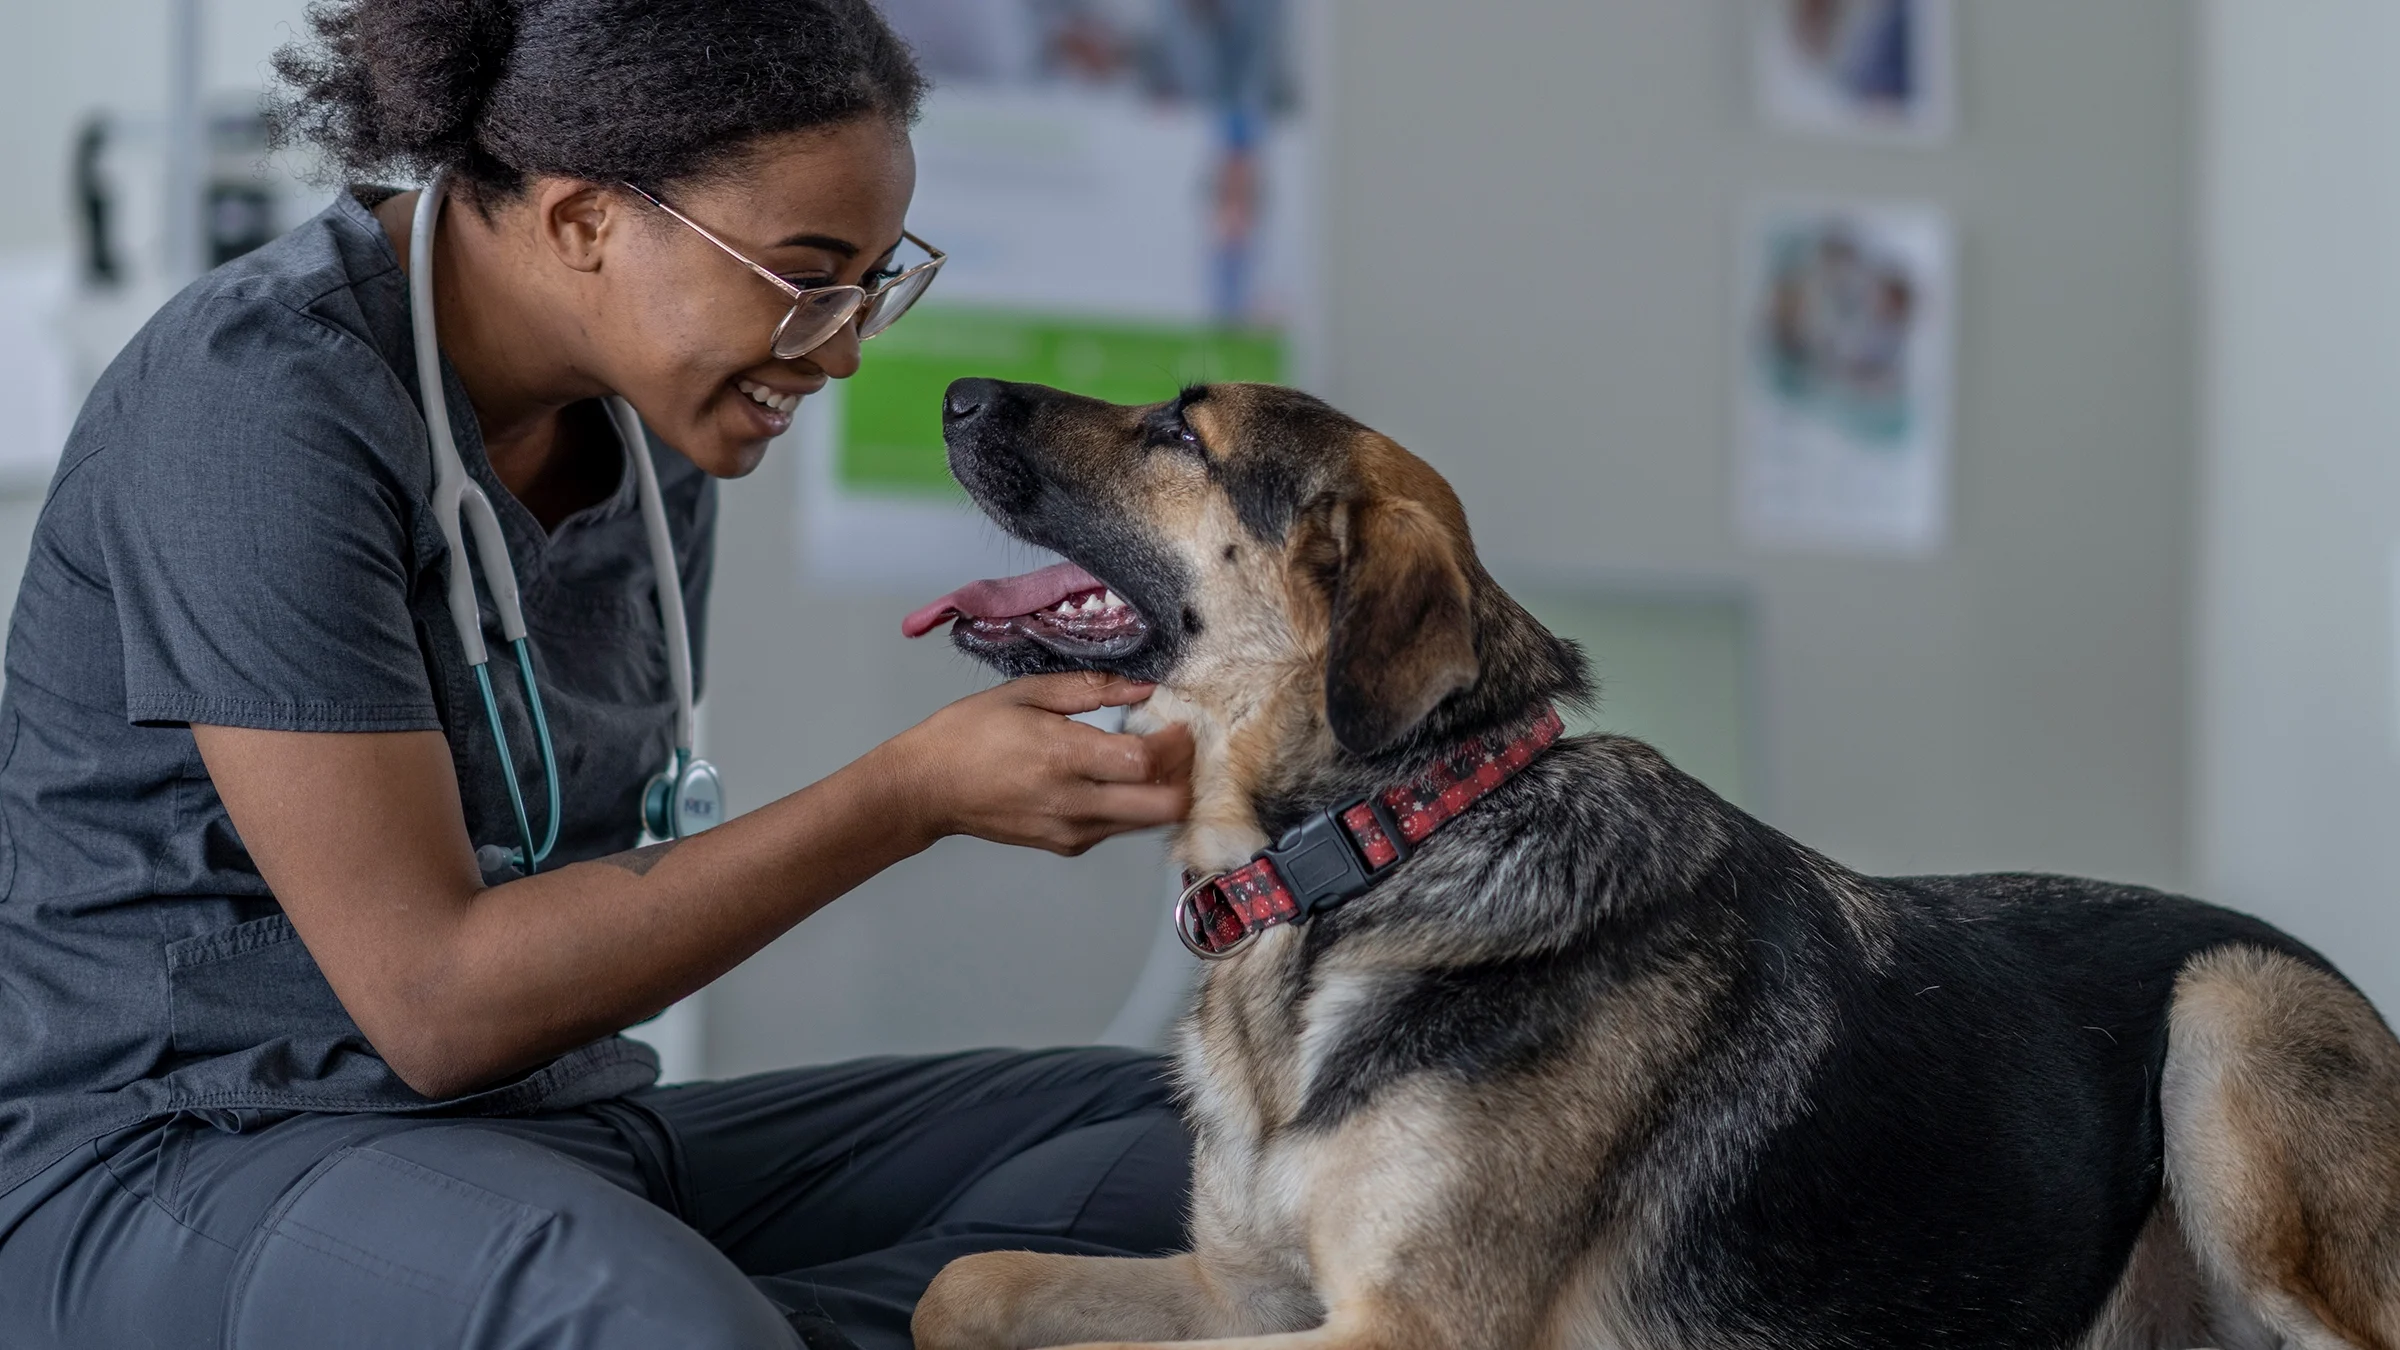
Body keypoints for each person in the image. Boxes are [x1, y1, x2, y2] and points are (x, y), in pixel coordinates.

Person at [0, 1, 1197, 1346]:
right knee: (628, 1299)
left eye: (873, 280)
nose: (847, 346)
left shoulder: (650, 437)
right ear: (582, 222)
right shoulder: (257, 409)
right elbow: (438, 1004)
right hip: (186, 1157)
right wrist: (906, 795)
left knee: (1207, 1142)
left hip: (550, 1137)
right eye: (809, 276)